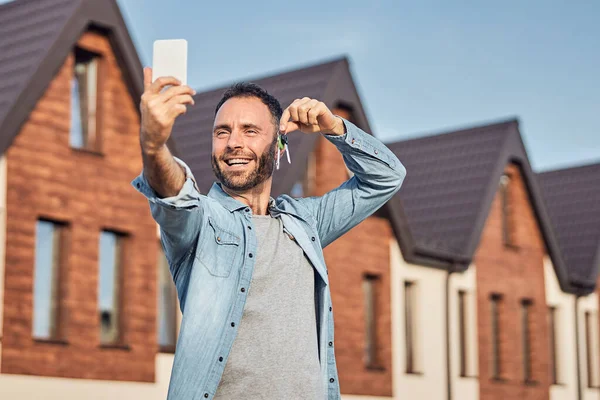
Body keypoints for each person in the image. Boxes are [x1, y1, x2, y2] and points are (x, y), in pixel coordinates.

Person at [132, 67, 407, 400]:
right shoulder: (201, 222)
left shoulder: (306, 223)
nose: (234, 143)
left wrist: (333, 127)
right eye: (222, 132)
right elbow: (174, 194)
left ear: (278, 145)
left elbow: (386, 177)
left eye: (250, 131)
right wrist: (153, 144)